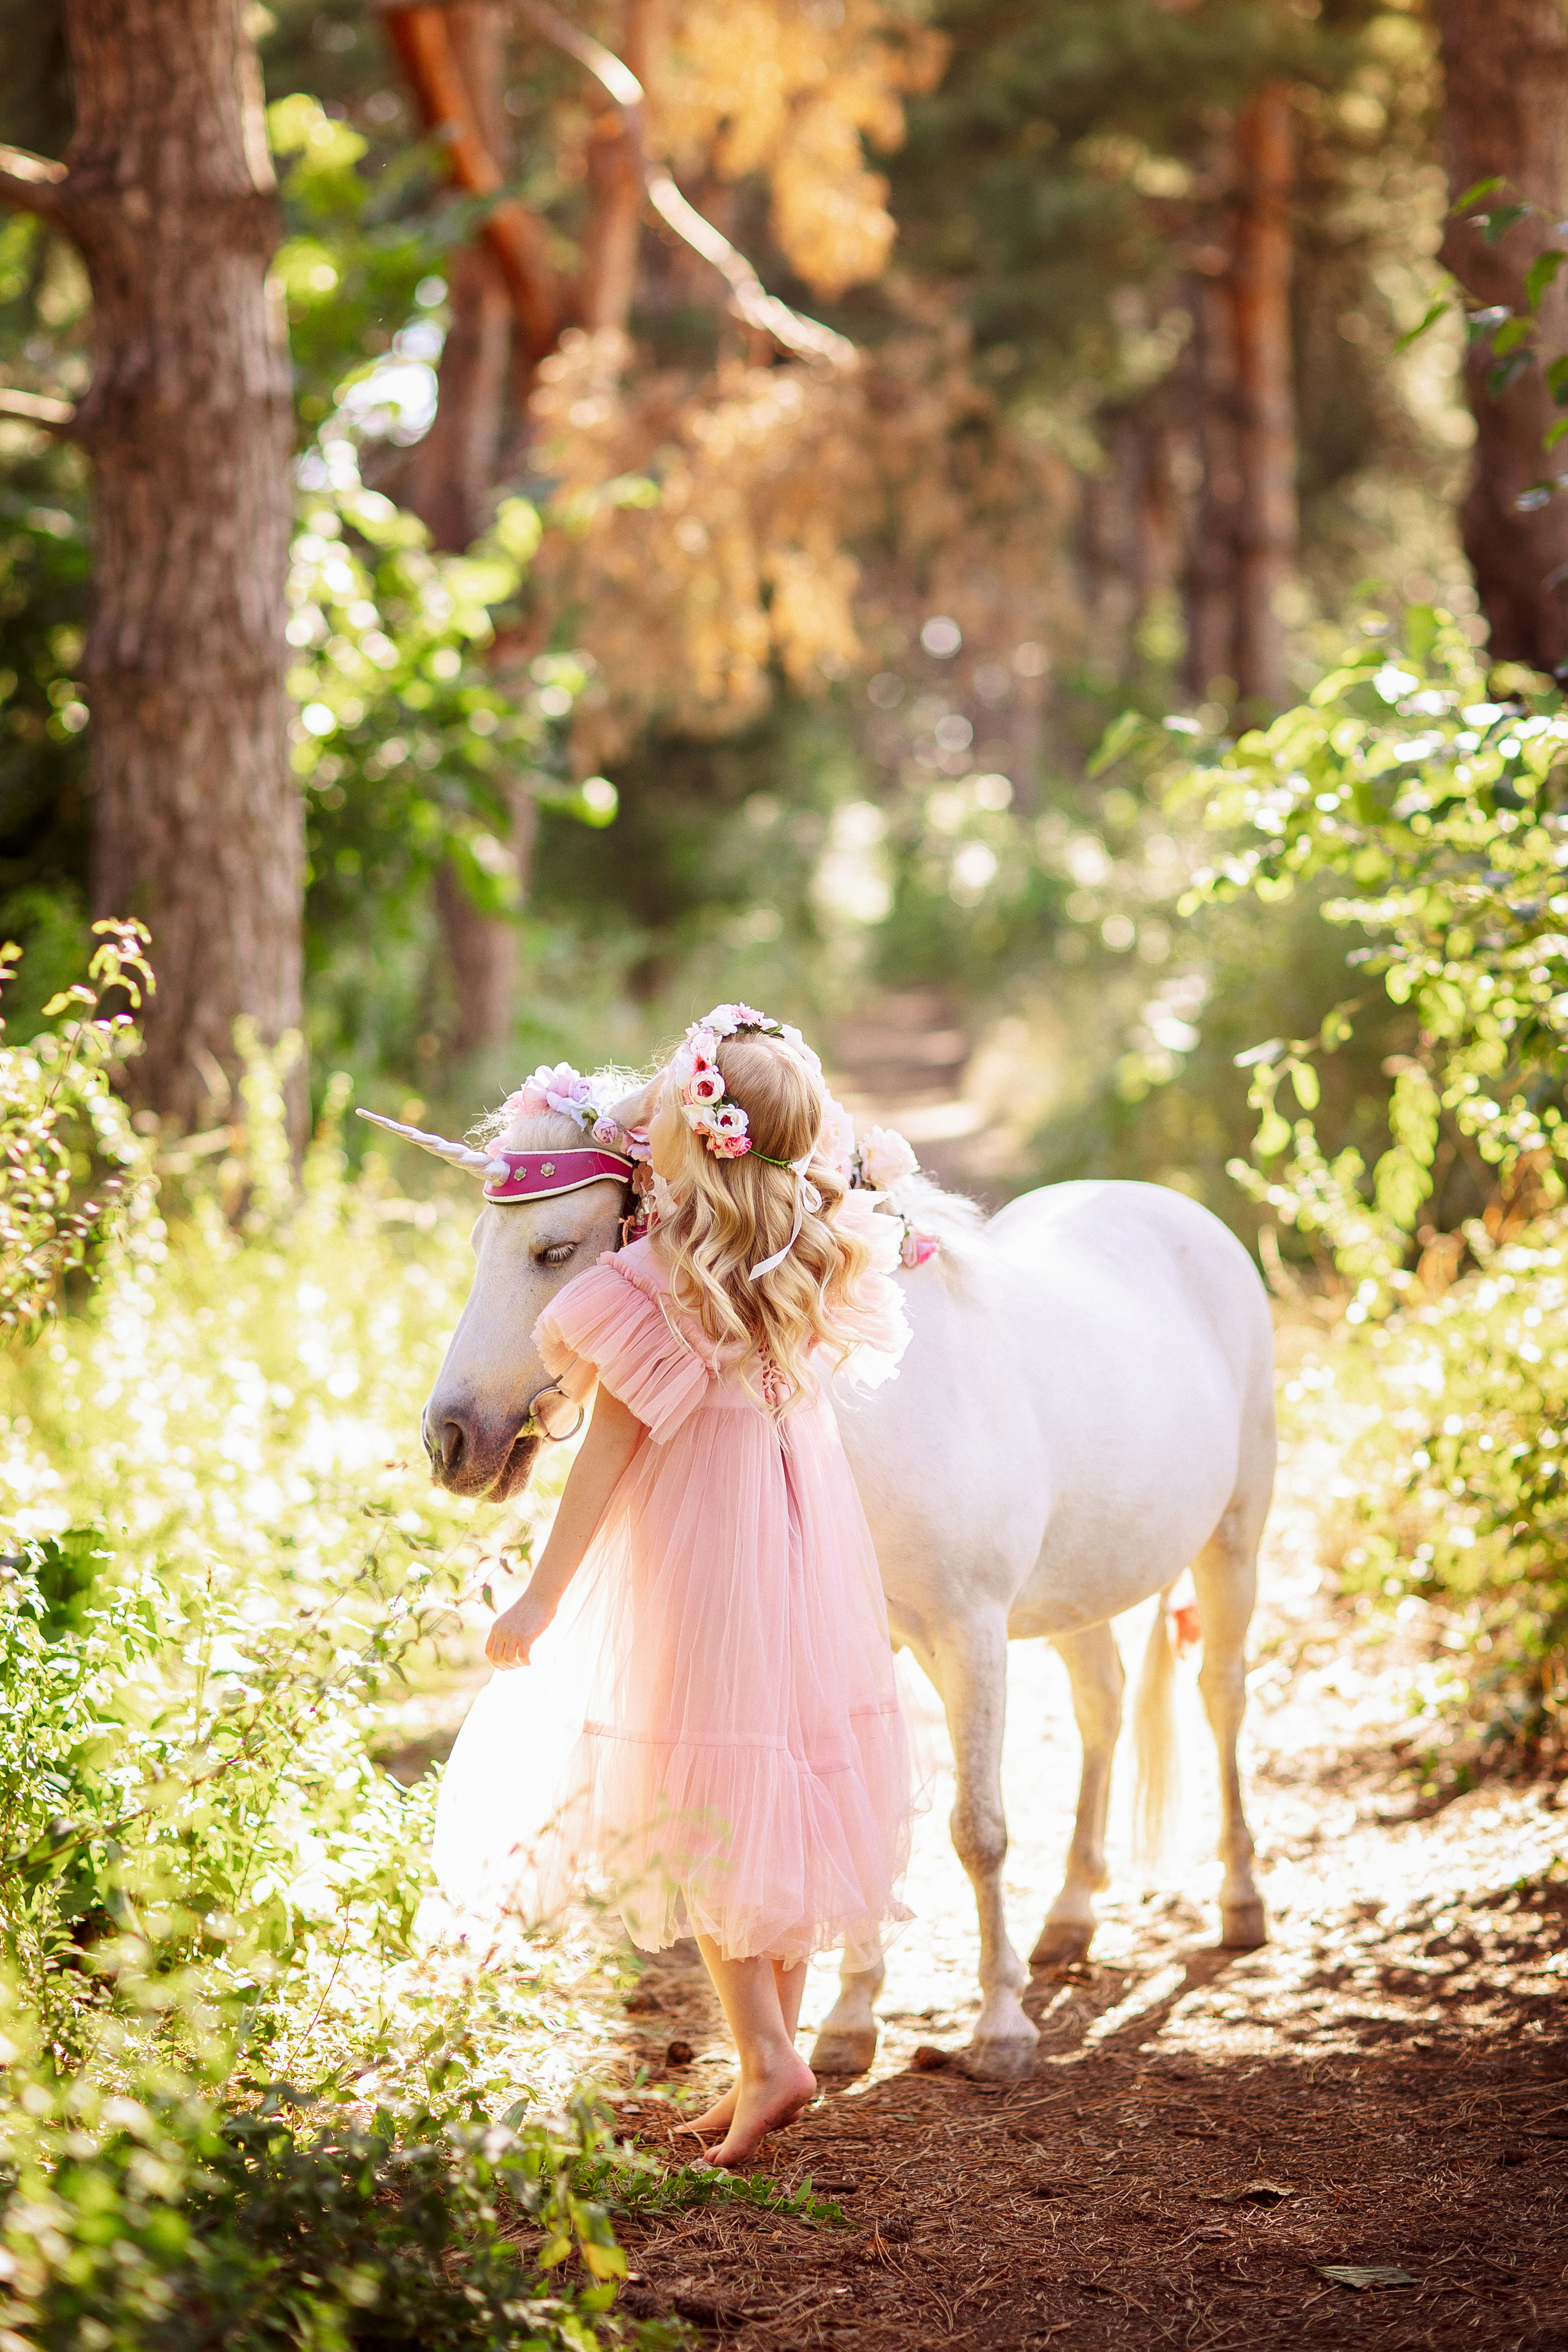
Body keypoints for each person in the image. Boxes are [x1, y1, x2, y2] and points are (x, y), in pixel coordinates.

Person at [478, 1008, 917, 2166]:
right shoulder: (823, 1249)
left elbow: (607, 1459)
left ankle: (768, 2059)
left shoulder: (661, 1279)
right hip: (803, 1539)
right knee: (788, 1767)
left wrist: (541, 1598)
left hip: (704, 1544)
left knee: (710, 1786)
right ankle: (767, 2054)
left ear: (689, 1136)